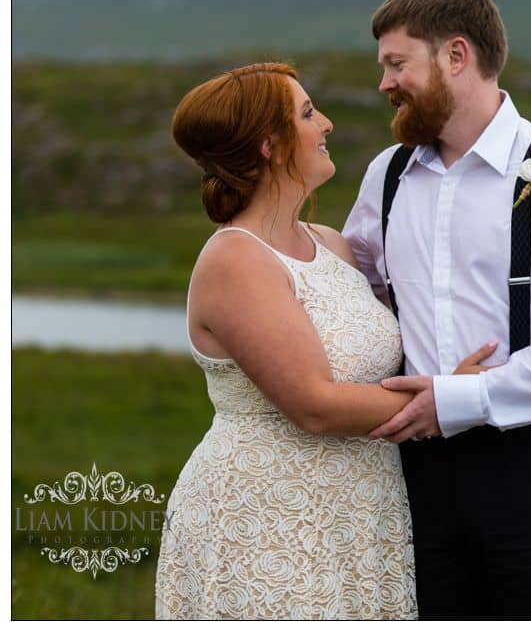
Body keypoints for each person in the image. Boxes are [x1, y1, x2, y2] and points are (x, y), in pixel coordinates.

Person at [154, 62, 496, 620]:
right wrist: (449, 399)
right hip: (271, 518)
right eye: (308, 114)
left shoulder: (332, 246)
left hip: (363, 512)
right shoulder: (236, 258)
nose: (327, 124)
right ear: (270, 144)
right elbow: (313, 404)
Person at [343, 0, 531, 620]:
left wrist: (462, 400)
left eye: (396, 64)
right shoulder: (385, 178)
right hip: (414, 475)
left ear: (456, 56)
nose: (384, 84)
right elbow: (348, 291)